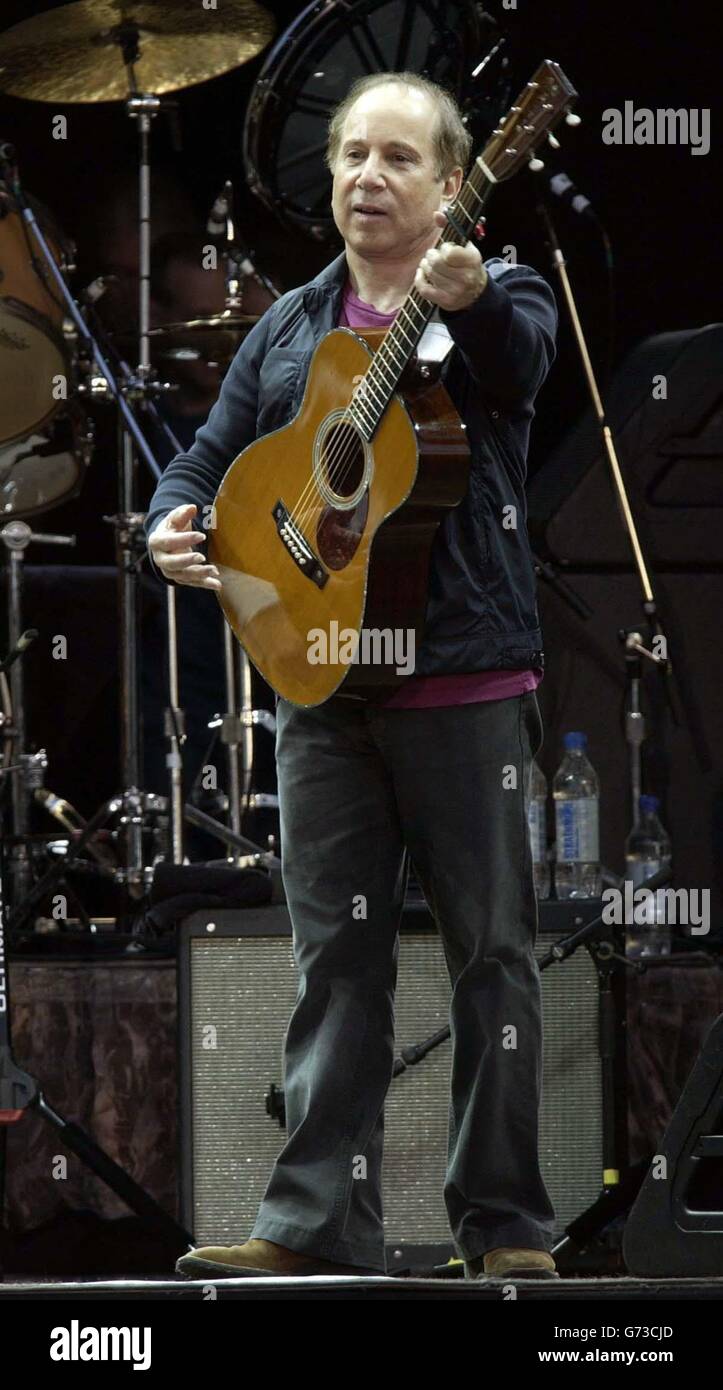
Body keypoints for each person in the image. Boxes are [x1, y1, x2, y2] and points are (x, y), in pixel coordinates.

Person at [145, 70, 559, 1282]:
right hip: (322, 689)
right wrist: (169, 523)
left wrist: (474, 302)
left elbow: (523, 364)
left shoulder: (495, 292)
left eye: (398, 160)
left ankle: (506, 1229)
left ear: (450, 185)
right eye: (351, 158)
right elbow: (209, 460)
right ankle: (315, 1225)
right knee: (336, 961)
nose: (368, 178)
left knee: (494, 957)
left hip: (463, 683)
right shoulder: (287, 324)